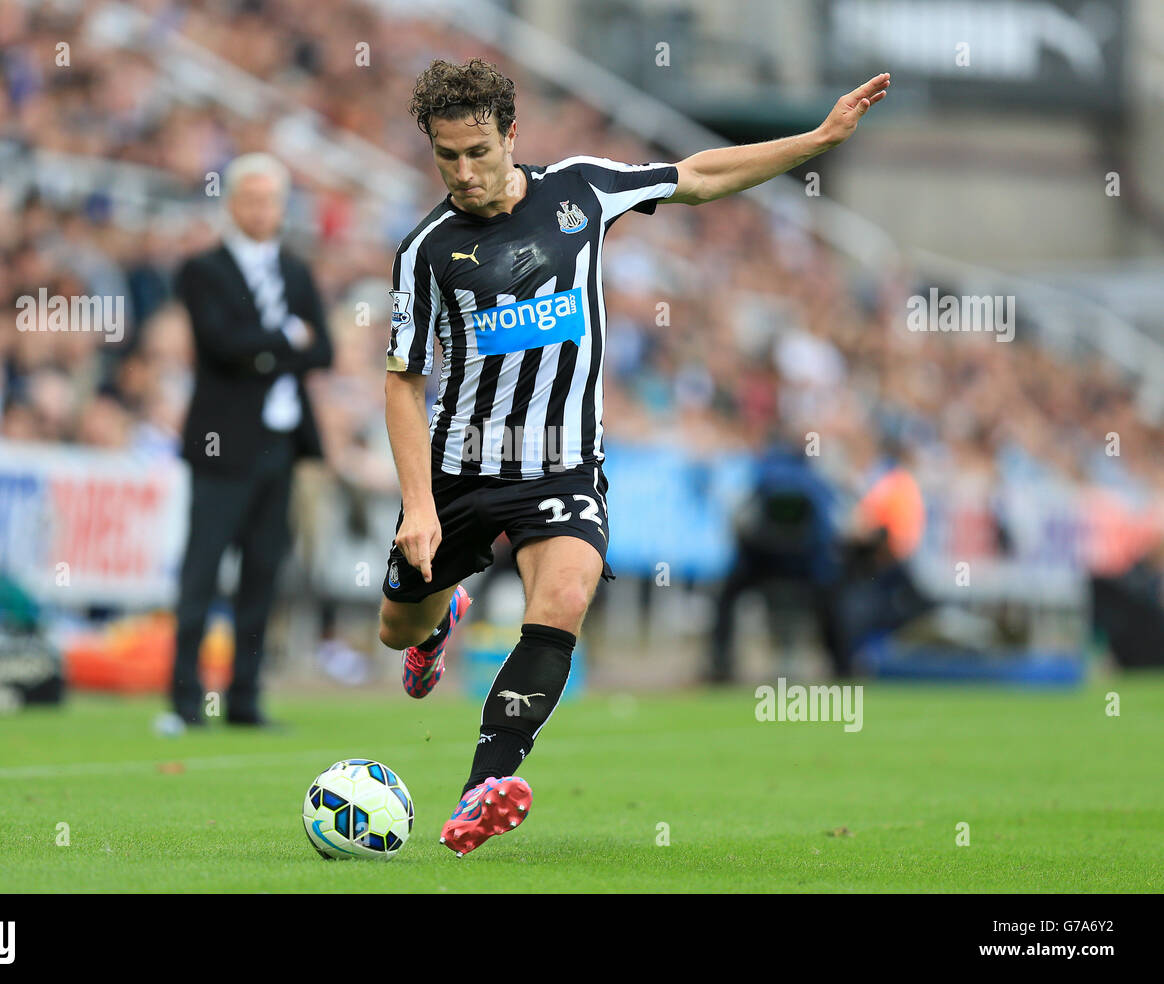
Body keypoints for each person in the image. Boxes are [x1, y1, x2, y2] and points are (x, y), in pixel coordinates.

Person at [376, 58, 890, 856]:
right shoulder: (427, 250)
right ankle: (434, 625)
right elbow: (403, 382)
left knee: (567, 594)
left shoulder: (583, 189)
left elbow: (698, 174)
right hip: (463, 470)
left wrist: (817, 139)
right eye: (447, 157)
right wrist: (416, 505)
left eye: (479, 151)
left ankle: (484, 782)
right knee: (392, 624)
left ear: (512, 135)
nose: (465, 173)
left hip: (564, 465)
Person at [171, 153, 332, 727]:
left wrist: (267, 345)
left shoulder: (295, 271)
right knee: (203, 570)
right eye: (253, 199)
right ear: (232, 204)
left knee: (264, 574)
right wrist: (288, 337)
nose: (263, 211)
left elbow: (325, 351)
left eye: (272, 200)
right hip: (222, 442)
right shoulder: (203, 269)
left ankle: (245, 699)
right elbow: (223, 344)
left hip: (282, 443)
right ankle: (185, 702)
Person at [706, 436, 847, 682]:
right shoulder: (814, 480)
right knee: (833, 598)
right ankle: (841, 665)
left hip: (762, 566)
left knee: (725, 596)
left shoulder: (761, 476)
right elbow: (833, 528)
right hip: (806, 568)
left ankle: (720, 663)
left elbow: (740, 524)